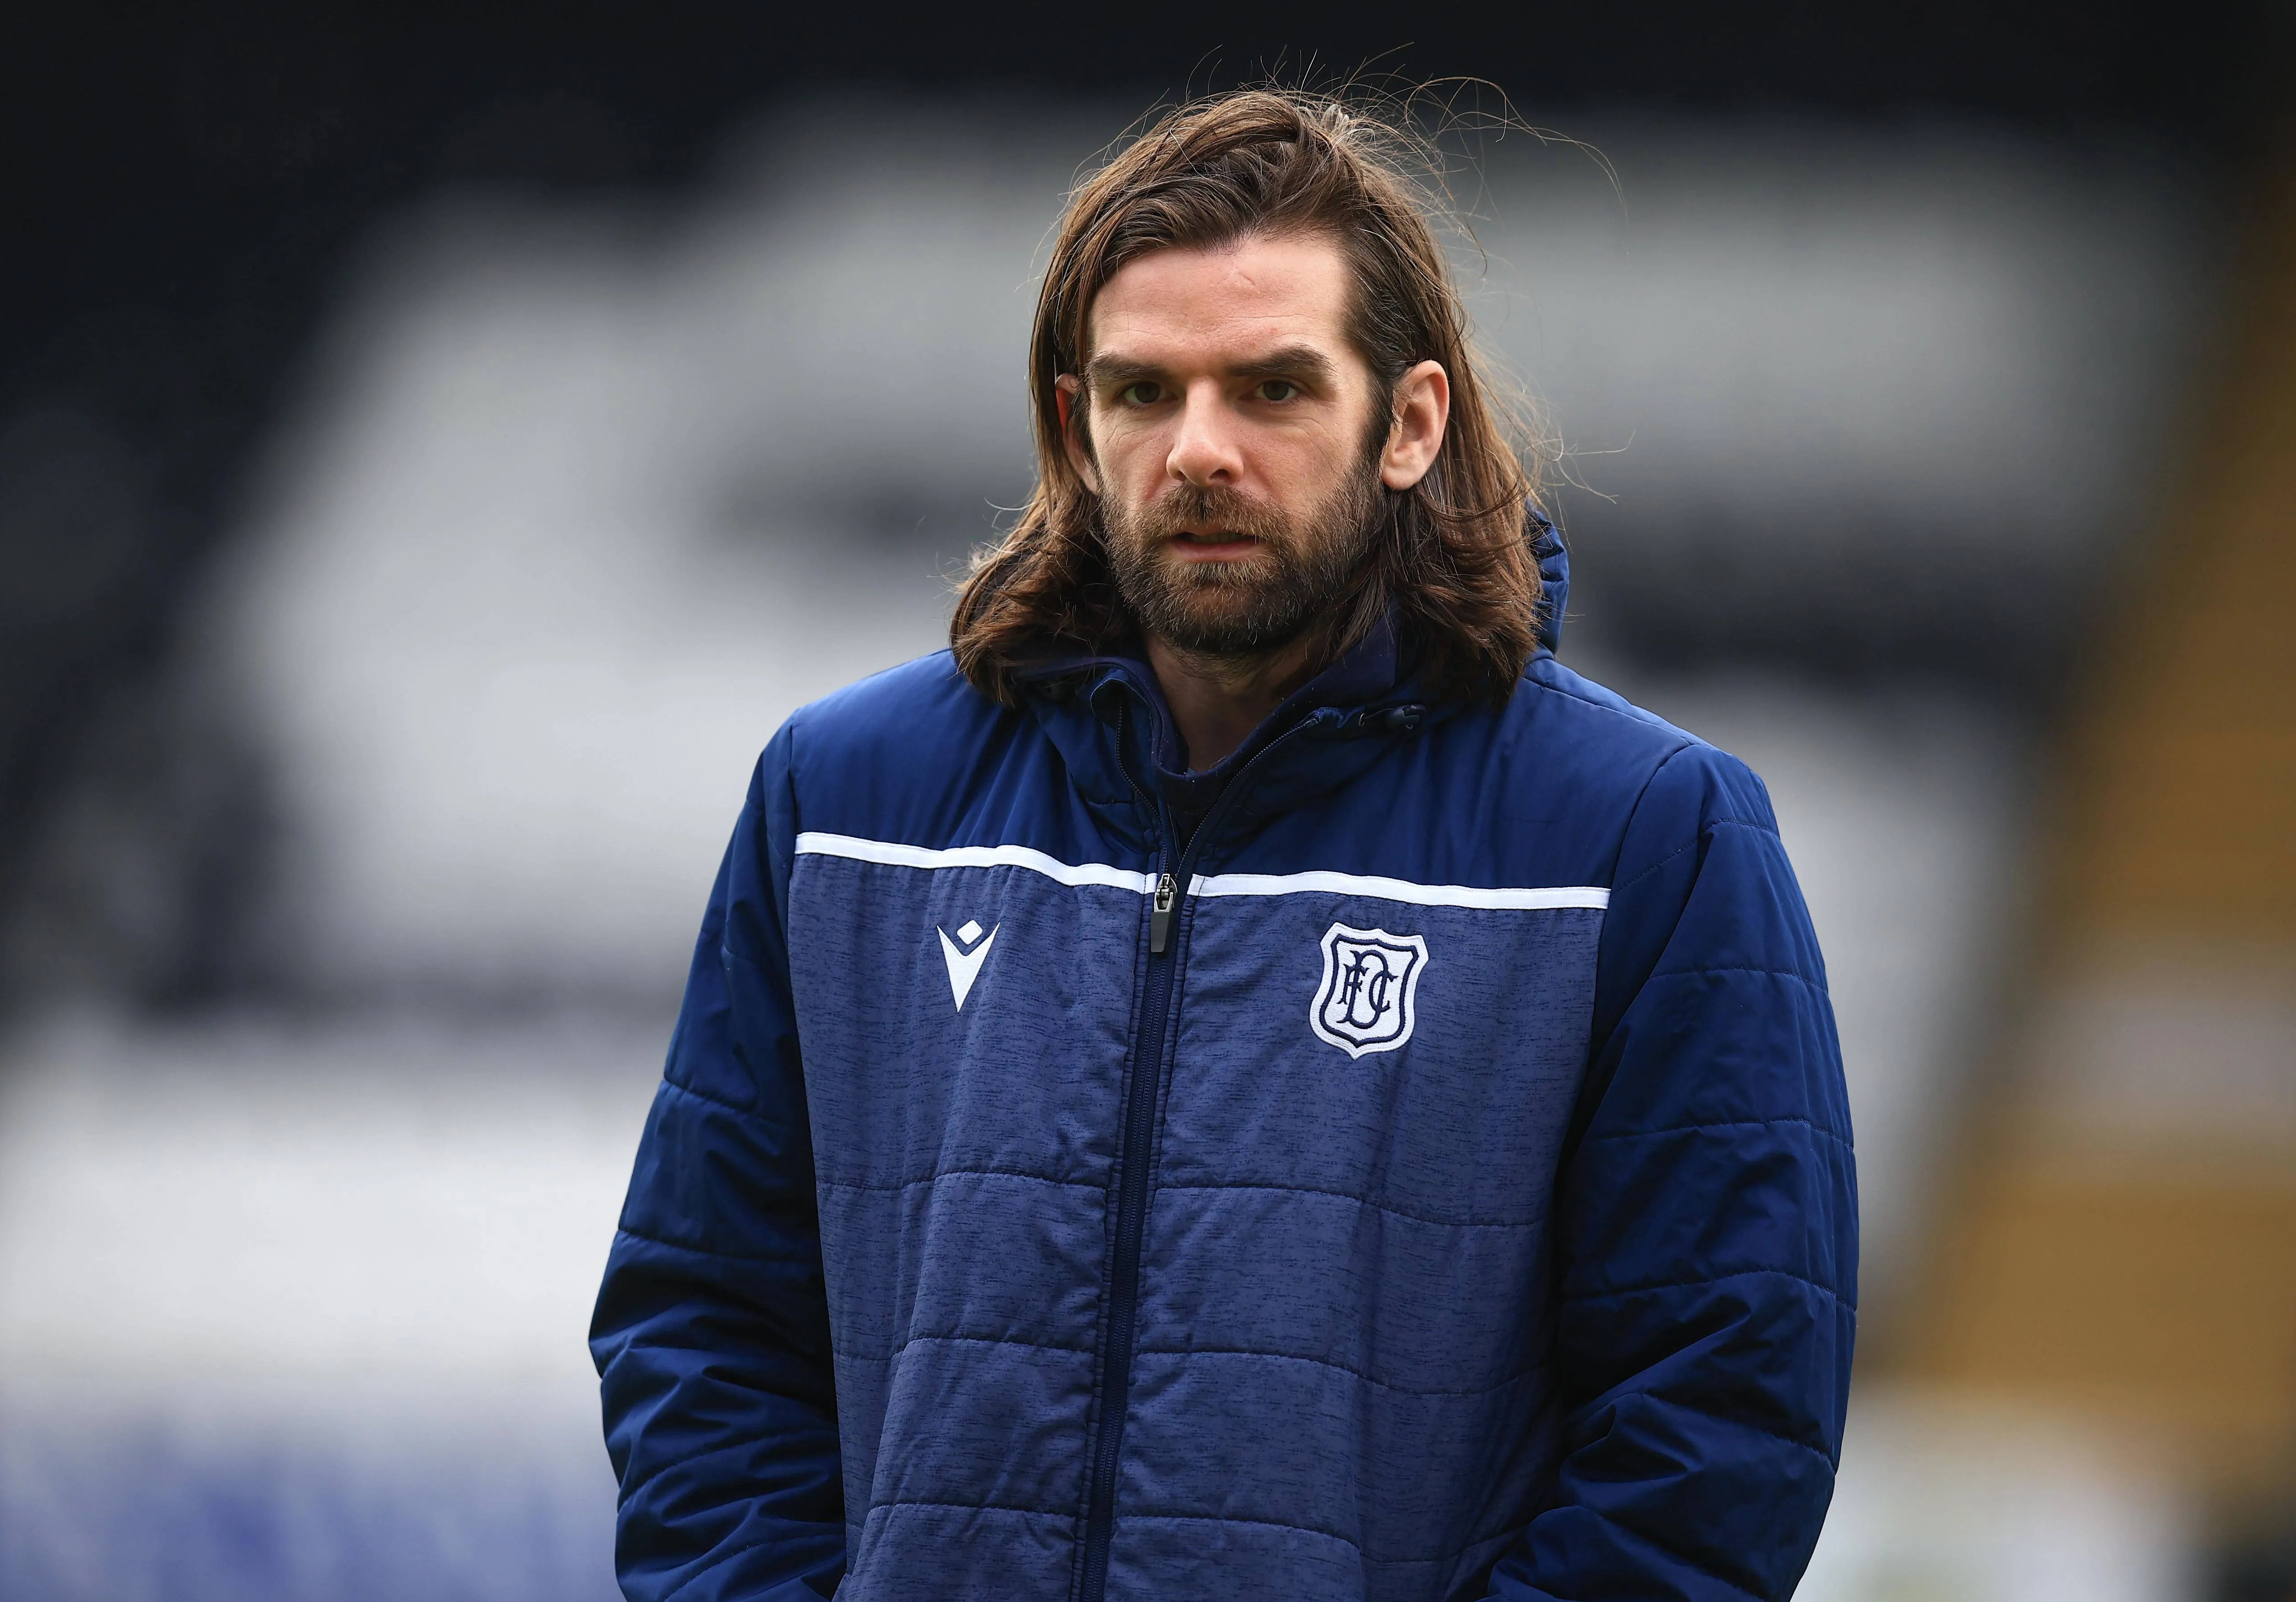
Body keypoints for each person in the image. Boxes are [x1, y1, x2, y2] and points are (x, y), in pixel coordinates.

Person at [591, 88, 1856, 1602]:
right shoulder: (844, 800)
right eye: (1143, 393)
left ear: (1409, 424)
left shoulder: (1642, 837)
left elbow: (1721, 1417)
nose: (1199, 450)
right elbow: (703, 1323)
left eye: (1271, 389)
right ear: (1075, 426)